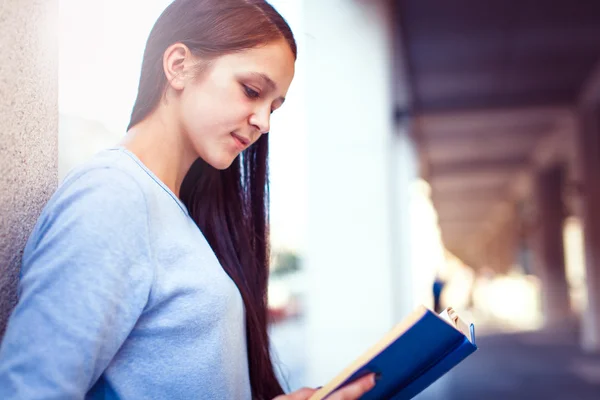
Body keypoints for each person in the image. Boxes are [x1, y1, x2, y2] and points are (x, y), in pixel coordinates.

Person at [0, 1, 376, 399]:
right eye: (252, 91)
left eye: (273, 107)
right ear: (178, 65)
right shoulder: (112, 196)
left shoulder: (180, 216)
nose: (263, 123)